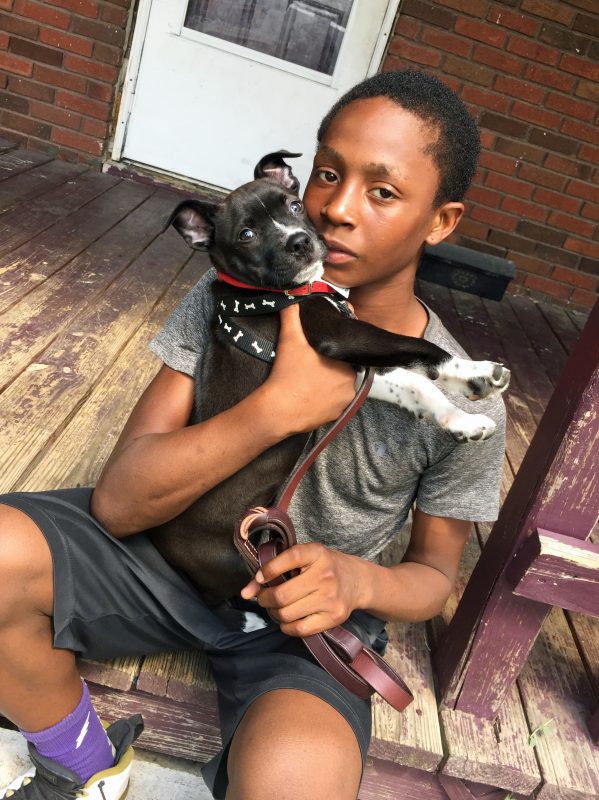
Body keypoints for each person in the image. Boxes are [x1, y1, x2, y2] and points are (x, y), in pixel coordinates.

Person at [0, 69, 505, 800]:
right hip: (159, 558)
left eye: (382, 191)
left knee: (294, 783)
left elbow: (430, 579)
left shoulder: (462, 392)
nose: (334, 209)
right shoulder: (227, 295)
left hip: (296, 624)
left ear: (441, 221)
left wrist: (354, 579)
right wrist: (277, 407)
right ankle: (83, 768)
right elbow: (118, 504)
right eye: (326, 174)